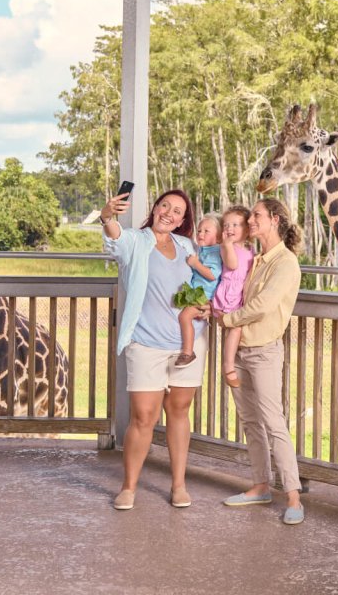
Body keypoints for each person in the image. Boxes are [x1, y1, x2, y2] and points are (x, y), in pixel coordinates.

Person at [99, 188, 206, 511]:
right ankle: (129, 487)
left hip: (188, 343)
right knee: (143, 416)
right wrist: (107, 216)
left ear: (183, 221)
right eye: (165, 206)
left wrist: (206, 305)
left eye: (177, 211)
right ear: (155, 208)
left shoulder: (187, 246)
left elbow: (205, 282)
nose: (169, 214)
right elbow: (114, 236)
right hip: (146, 343)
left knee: (178, 412)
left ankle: (178, 485)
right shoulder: (135, 241)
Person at [214, 198, 305, 525]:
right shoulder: (254, 259)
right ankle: (260, 485)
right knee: (250, 421)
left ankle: (293, 496)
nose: (251, 219)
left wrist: (227, 320)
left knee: (273, 422)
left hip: (264, 350)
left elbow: (264, 305)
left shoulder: (286, 262)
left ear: (275, 220)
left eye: (257, 215)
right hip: (239, 351)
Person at [209, 206, 254, 388]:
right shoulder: (227, 247)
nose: (230, 228)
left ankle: (234, 364)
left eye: (236, 224)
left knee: (237, 330)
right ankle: (228, 367)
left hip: (239, 295)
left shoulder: (250, 249)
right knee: (235, 329)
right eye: (226, 225)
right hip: (228, 295)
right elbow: (233, 265)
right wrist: (227, 245)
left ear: (247, 229)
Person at [174, 214, 222, 368]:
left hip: (204, 296)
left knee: (184, 316)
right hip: (197, 293)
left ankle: (188, 352)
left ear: (219, 236)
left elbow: (213, 275)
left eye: (206, 231)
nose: (200, 234)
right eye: (199, 230)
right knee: (185, 316)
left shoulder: (216, 252)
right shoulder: (203, 249)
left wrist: (195, 263)